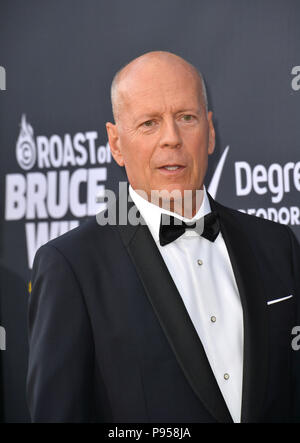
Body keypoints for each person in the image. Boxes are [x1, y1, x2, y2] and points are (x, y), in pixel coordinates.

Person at [27, 51, 300, 423]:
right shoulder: (72, 266)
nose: (171, 138)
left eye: (186, 118)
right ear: (116, 143)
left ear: (210, 131)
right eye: (149, 123)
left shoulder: (276, 245)